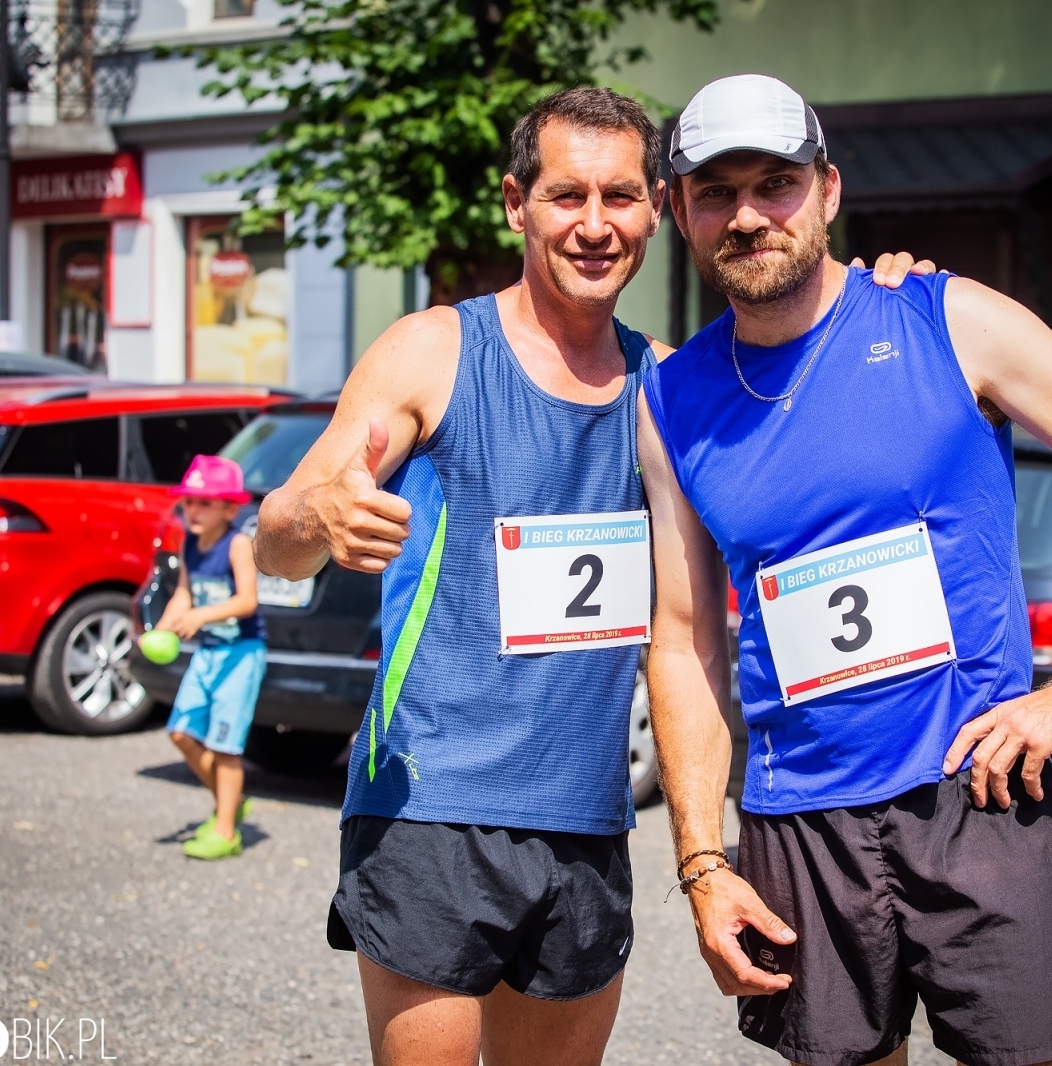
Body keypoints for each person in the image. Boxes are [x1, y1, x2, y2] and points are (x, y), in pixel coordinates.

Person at [252, 86, 934, 1066]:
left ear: (655, 208)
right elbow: (276, 541)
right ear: (513, 203)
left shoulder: (670, 384)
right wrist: (309, 518)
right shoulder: (433, 351)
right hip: (430, 802)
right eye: (566, 196)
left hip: (587, 816)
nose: (593, 224)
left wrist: (887, 294)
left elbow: (821, 383)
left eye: (619, 197)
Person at [641, 74, 1052, 1066]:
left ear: (827, 190)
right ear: (676, 210)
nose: (746, 214)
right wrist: (700, 861)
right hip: (797, 817)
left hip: (977, 790)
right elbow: (684, 642)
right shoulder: (671, 397)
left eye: (774, 183)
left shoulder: (948, 319)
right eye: (714, 191)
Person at [157, 454, 267, 862]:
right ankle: (229, 801)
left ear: (230, 508)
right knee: (181, 733)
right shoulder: (190, 544)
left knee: (225, 747)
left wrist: (200, 615)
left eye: (204, 502)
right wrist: (163, 629)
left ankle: (226, 831)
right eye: (189, 502)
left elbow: (247, 601)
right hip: (209, 653)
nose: (193, 510)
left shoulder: (237, 544)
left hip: (240, 655)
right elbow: (184, 593)